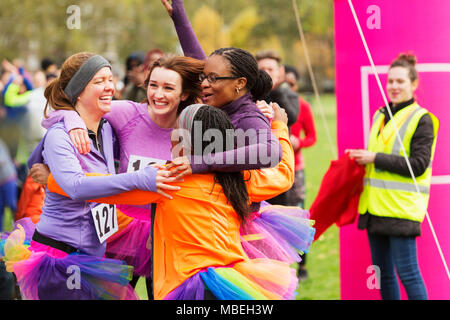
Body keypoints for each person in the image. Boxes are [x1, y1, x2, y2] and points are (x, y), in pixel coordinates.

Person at [43, 103, 315, 300]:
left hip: (187, 287)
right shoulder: (240, 178)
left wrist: (56, 180)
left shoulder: (168, 179)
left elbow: (104, 191)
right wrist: (279, 127)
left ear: (185, 144)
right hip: (236, 285)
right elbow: (283, 174)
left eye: (176, 132)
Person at [0, 52, 179, 300]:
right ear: (79, 90)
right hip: (60, 259)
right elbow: (76, 186)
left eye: (109, 79)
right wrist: (142, 177)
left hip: (93, 259)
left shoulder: (106, 130)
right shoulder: (60, 135)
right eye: (98, 81)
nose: (109, 87)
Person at [347, 53, 439, 300]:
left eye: (400, 81)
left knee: (408, 274)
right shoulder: (381, 115)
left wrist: (373, 158)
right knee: (384, 274)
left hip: (401, 210)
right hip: (375, 208)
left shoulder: (423, 119)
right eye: (391, 81)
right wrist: (360, 157)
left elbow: (418, 165)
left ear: (414, 84)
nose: (394, 87)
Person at [284, 65, 317, 281]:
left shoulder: (303, 106)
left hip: (296, 168)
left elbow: (312, 136)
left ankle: (302, 265)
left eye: (292, 84)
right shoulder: (270, 106)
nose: (288, 87)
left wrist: (299, 142)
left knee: (299, 217)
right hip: (274, 169)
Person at [255, 50, 300, 127]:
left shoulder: (289, 94)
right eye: (262, 69)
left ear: (280, 71)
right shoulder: (250, 93)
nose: (266, 73)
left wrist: (275, 89)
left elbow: (292, 118)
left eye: (270, 69)